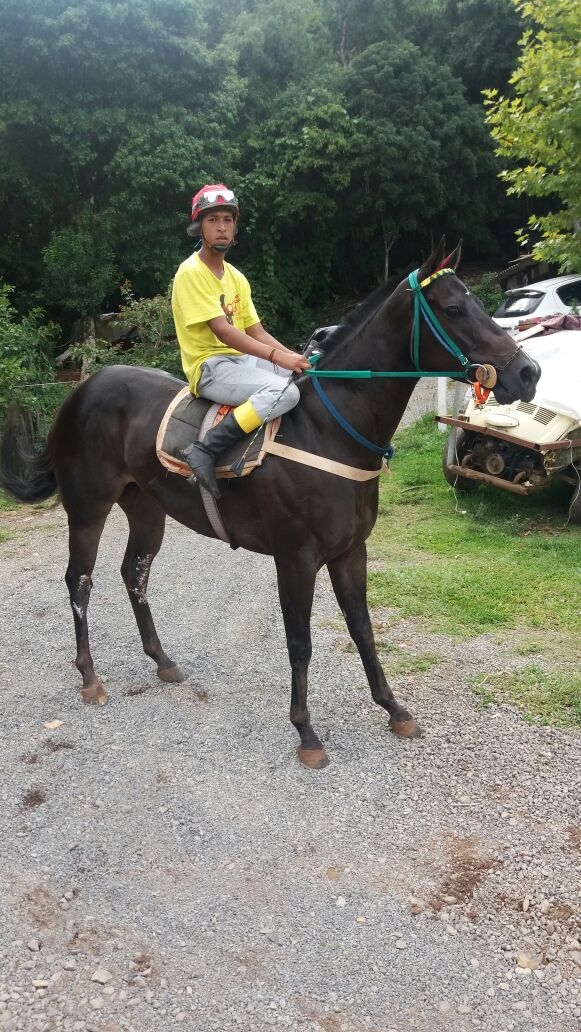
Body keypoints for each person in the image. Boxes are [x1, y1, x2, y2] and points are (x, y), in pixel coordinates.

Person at [171, 184, 310, 498]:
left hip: (241, 361)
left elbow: (256, 332)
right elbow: (224, 331)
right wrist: (277, 357)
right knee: (282, 394)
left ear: (234, 227)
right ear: (199, 227)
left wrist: (294, 358)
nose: (221, 227)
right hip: (210, 366)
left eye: (227, 220)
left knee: (301, 379)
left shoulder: (236, 276)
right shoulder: (190, 273)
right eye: (213, 220)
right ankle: (206, 449)